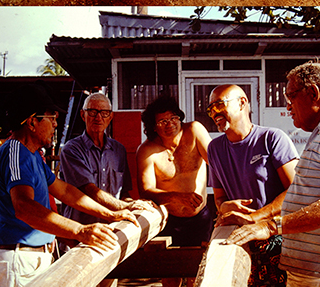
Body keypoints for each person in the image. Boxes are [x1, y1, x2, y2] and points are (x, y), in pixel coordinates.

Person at [225, 62, 320, 287]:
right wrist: (256, 218)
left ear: (313, 93)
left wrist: (271, 226)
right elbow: (302, 194)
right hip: (310, 267)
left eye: (290, 97)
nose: (288, 106)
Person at [0, 83, 139, 287]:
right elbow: (23, 207)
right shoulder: (15, 150)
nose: (56, 125)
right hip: (18, 261)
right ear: (32, 122)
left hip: (33, 259)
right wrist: (80, 231)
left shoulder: (33, 156)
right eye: (52, 118)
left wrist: (112, 213)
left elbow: (65, 191)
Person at [207, 84, 299, 286]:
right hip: (242, 240)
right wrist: (225, 207)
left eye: (219, 105)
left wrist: (254, 217)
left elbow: (296, 192)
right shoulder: (214, 148)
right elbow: (220, 198)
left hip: (278, 237)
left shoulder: (272, 139)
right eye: (210, 109)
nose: (215, 113)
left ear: (242, 103)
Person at [59, 92, 154, 287]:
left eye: (104, 112)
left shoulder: (118, 150)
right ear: (83, 115)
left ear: (111, 117)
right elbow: (90, 191)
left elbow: (124, 194)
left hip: (112, 236)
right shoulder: (71, 149)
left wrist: (137, 206)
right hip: (79, 236)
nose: (98, 117)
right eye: (92, 112)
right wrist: (125, 207)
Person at [136, 95, 212, 287]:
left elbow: (218, 163)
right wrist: (177, 197)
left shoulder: (194, 131)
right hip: (169, 220)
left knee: (198, 274)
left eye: (173, 118)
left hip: (200, 218)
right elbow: (145, 191)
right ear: (153, 127)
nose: (169, 124)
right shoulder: (146, 150)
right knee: (170, 276)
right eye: (162, 121)